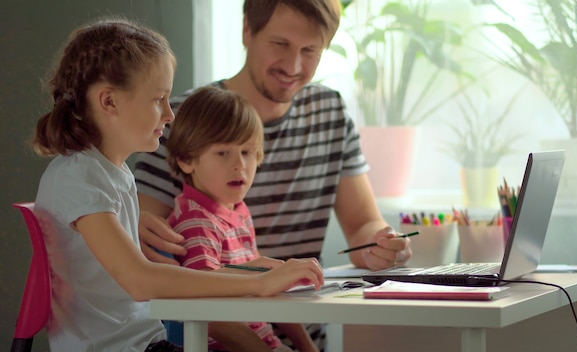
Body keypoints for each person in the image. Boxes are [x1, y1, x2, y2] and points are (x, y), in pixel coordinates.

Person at [32, 17, 323, 352]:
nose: (170, 114)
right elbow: (142, 280)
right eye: (159, 99)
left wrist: (252, 273)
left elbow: (154, 275)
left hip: (146, 341)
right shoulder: (78, 178)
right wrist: (258, 283)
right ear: (109, 101)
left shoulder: (111, 172)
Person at [134, 0, 413, 348]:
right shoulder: (180, 119)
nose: (294, 65)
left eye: (310, 50)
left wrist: (381, 245)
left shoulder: (331, 113)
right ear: (247, 31)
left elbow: (362, 228)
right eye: (280, 45)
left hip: (302, 335)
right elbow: (165, 267)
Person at [166, 86, 318, 352]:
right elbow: (206, 304)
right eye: (223, 153)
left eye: (247, 152)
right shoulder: (196, 220)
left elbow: (271, 289)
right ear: (187, 160)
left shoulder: (238, 210)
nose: (239, 165)